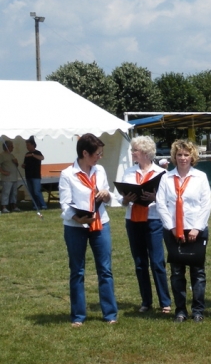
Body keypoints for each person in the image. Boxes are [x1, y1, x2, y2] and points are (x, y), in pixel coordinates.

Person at [59, 133, 118, 326]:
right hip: (76, 226)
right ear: (85, 153)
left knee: (105, 269)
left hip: (101, 222)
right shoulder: (68, 174)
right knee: (77, 270)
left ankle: (110, 314)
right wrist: (78, 217)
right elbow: (65, 204)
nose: (99, 157)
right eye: (97, 154)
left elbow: (108, 194)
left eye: (101, 153)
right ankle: (78, 316)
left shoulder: (99, 170)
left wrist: (106, 194)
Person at [156, 139, 211, 323]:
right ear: (174, 157)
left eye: (186, 154)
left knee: (198, 272)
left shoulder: (201, 177)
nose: (183, 158)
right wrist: (171, 227)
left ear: (192, 156)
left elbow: (206, 205)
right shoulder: (166, 178)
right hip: (173, 230)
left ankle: (198, 310)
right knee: (177, 272)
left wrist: (197, 228)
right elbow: (161, 204)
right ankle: (180, 310)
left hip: (196, 228)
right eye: (179, 154)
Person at [120, 135, 171, 314]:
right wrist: (125, 198)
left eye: (135, 150)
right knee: (140, 262)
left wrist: (155, 197)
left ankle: (165, 302)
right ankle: (146, 301)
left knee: (157, 262)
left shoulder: (161, 173)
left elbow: (168, 200)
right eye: (133, 150)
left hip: (153, 219)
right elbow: (121, 200)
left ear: (145, 152)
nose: (133, 153)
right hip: (133, 220)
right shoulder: (128, 172)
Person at [22, 137, 47, 210]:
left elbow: (42, 158)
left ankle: (43, 205)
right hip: (28, 175)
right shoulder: (27, 154)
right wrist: (23, 165)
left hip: (36, 176)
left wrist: (33, 155)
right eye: (26, 145)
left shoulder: (37, 152)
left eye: (28, 145)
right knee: (31, 192)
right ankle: (35, 205)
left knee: (37, 191)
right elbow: (25, 163)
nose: (27, 147)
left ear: (33, 145)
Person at [1, 140, 22, 213]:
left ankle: (14, 206)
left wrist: (16, 163)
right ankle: (4, 207)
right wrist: (3, 172)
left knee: (14, 193)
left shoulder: (11, 155)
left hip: (14, 177)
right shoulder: (2, 155)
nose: (13, 147)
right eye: (11, 146)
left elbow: (15, 165)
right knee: (6, 193)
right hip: (7, 178)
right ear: (7, 146)